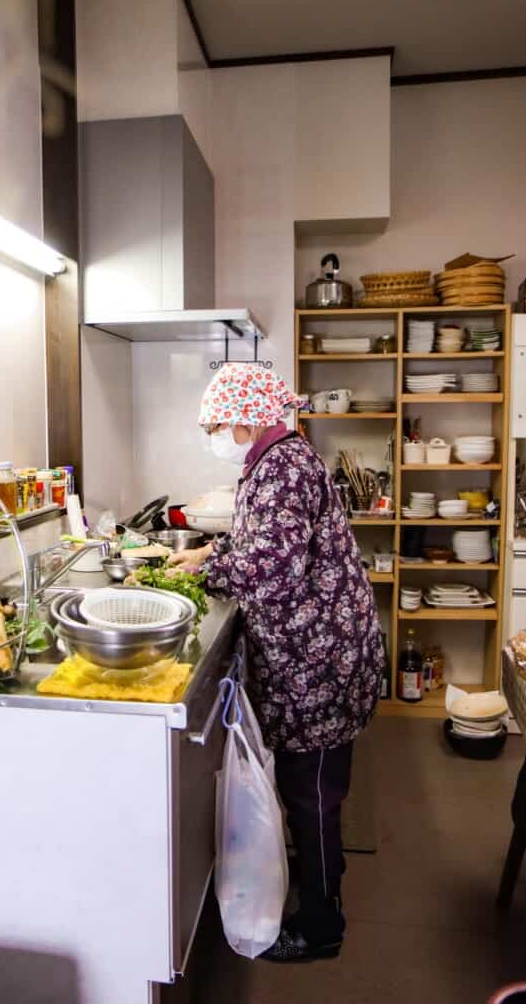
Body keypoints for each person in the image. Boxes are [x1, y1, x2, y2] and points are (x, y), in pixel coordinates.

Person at [169, 362, 385, 964]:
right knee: (311, 787)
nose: (213, 433)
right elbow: (271, 541)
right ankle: (322, 896)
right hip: (312, 650)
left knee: (312, 791)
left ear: (245, 417)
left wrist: (210, 567)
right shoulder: (276, 460)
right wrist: (220, 551)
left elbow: (275, 567)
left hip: (318, 658)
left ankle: (321, 927)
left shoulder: (285, 467)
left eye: (216, 423)